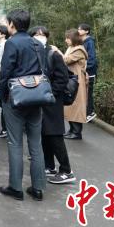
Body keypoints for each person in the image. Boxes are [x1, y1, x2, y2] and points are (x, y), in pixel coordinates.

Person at [0, 9, 46, 201]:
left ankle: (16, 187)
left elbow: (5, 73)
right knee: (36, 143)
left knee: (15, 143)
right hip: (36, 98)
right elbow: (44, 71)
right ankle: (38, 188)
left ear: (12, 24)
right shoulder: (38, 44)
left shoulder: (12, 43)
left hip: (16, 99)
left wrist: (4, 96)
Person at [29, 26, 76, 184]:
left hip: (52, 101)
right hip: (40, 100)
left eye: (42, 35)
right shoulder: (34, 53)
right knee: (44, 134)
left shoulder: (53, 54)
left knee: (55, 135)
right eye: (36, 34)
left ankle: (66, 170)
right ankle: (49, 166)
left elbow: (62, 79)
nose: (40, 37)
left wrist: (50, 94)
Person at [56, 29, 88, 140]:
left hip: (77, 81)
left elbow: (66, 60)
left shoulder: (79, 50)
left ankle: (77, 132)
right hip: (71, 79)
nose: (66, 40)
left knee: (76, 106)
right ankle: (71, 130)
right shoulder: (72, 48)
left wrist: (57, 51)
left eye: (67, 38)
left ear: (73, 39)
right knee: (70, 105)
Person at [78, 23, 98, 123]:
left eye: (80, 29)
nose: (78, 31)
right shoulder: (82, 42)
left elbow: (92, 59)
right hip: (83, 72)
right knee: (83, 93)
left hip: (89, 72)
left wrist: (85, 68)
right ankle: (86, 112)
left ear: (86, 31)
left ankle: (90, 113)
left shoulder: (89, 42)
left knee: (88, 93)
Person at [0, 24, 9, 139]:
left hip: (2, 78)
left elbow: (0, 62)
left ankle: (5, 129)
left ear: (3, 34)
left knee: (4, 104)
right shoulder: (0, 45)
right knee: (3, 104)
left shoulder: (4, 45)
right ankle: (5, 129)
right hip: (0, 78)